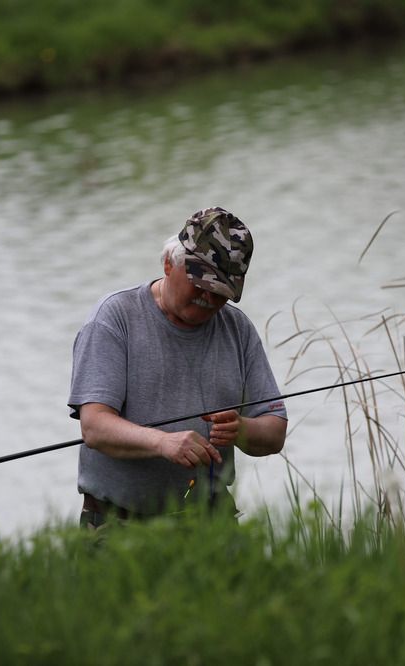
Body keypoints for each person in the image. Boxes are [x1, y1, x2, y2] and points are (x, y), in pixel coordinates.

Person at [68, 206, 288, 528]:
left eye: (220, 292)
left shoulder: (237, 330)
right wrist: (163, 443)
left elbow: (275, 430)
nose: (207, 298)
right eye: (199, 283)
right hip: (117, 525)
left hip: (211, 523)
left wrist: (241, 428)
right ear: (170, 263)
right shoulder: (114, 318)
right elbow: (95, 427)